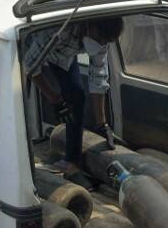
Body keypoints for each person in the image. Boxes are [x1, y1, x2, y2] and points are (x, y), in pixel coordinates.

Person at [23, 18, 124, 184]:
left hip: (63, 57)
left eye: (105, 41)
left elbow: (98, 77)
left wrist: (102, 123)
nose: (101, 43)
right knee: (20, 98)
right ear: (89, 25)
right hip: (31, 51)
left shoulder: (102, 39)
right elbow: (30, 67)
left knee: (77, 97)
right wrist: (55, 100)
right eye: (99, 39)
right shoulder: (57, 29)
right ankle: (25, 159)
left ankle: (71, 162)